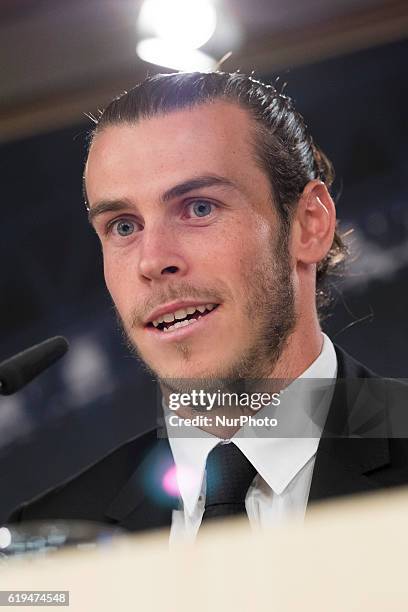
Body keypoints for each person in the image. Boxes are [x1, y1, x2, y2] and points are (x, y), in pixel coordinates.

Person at [7, 71, 408, 539]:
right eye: (122, 226)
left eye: (199, 208)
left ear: (308, 225)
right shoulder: (47, 541)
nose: (153, 260)